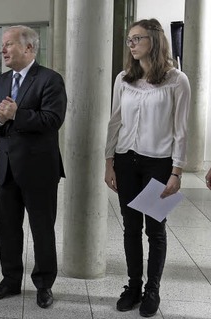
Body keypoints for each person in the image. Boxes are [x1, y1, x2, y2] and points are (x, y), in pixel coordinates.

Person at [104, 18, 190, 318]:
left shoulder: (177, 80)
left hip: (158, 164)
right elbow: (115, 121)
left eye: (137, 38)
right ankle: (133, 286)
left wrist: (176, 172)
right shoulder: (123, 78)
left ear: (154, 40)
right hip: (126, 160)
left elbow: (181, 130)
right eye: (129, 39)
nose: (131, 45)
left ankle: (152, 289)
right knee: (130, 228)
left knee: (155, 230)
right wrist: (109, 162)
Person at [0, 25, 66, 309]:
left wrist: (17, 114)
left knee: (42, 229)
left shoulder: (50, 80)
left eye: (8, 44)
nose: (2, 49)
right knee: (8, 228)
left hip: (39, 169)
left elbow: (52, 120)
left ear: (29, 48)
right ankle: (10, 281)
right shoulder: (1, 81)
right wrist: (1, 120)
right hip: (6, 168)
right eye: (2, 45)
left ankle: (44, 285)